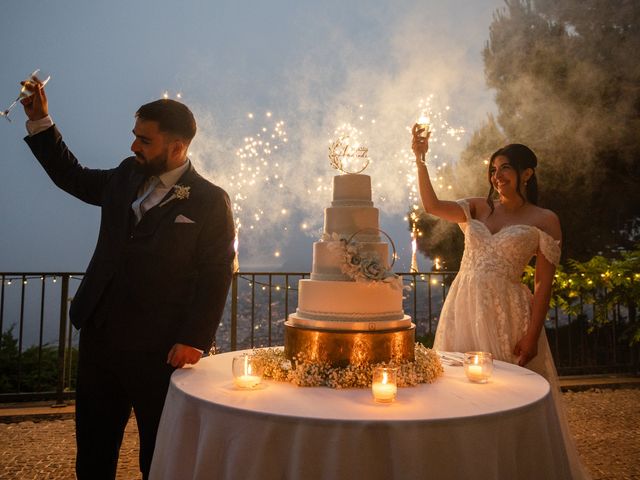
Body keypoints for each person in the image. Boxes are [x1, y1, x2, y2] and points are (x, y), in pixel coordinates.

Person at [21, 80, 236, 479]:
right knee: (94, 449)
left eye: (145, 140)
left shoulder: (209, 200)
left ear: (177, 147)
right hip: (100, 336)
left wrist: (194, 338)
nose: (134, 146)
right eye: (135, 136)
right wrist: (40, 121)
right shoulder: (124, 174)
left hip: (160, 349)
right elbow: (74, 177)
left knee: (159, 453)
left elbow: (216, 272)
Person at [412, 126, 590, 479]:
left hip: (508, 313)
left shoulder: (544, 220)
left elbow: (542, 285)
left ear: (526, 173)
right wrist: (420, 158)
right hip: (463, 306)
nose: (496, 176)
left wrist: (532, 334)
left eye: (504, 168)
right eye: (492, 170)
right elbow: (432, 206)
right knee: (454, 392)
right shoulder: (477, 208)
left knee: (506, 398)